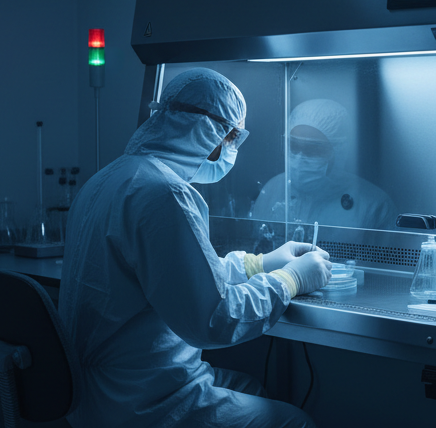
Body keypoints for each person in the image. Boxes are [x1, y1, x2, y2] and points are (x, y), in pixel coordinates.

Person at [59, 67, 332, 428]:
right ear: (211, 132)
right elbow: (213, 319)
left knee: (249, 386)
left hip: (98, 392)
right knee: (295, 423)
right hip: (143, 403)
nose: (231, 149)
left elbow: (177, 275)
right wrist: (290, 279)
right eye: (232, 137)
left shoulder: (111, 177)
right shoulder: (164, 193)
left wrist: (259, 263)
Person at [251, 99, 399, 231]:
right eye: (294, 146)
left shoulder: (373, 206)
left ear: (339, 150)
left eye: (312, 149)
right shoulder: (273, 189)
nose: (300, 158)